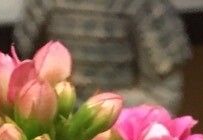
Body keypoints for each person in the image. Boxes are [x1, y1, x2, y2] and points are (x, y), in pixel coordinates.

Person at [14, 0, 191, 113]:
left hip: (118, 120)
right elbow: (23, 70)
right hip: (57, 120)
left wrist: (114, 112)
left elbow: (163, 92)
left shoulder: (144, 4)